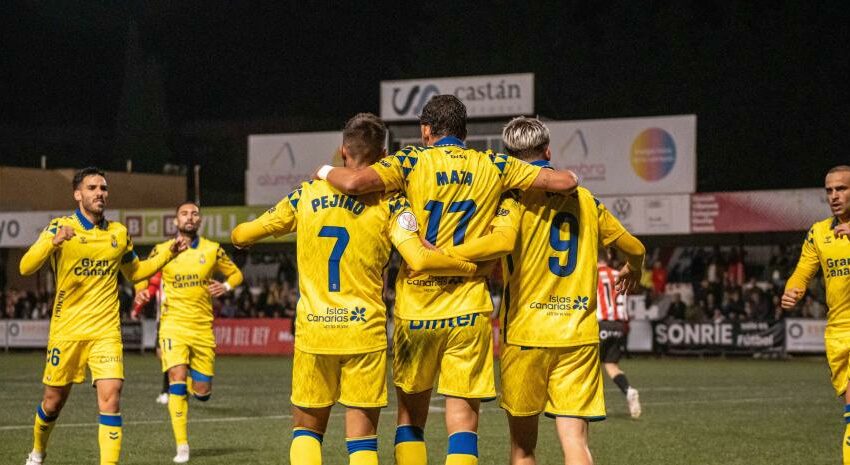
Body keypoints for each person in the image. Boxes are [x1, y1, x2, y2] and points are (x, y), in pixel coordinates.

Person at [316, 96, 579, 465]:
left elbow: (357, 182)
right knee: (463, 424)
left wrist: (323, 172)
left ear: (426, 130)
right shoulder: (494, 163)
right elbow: (564, 180)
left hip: (417, 309)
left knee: (410, 419)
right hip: (469, 310)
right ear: (464, 131)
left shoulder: (410, 161)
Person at [232, 113, 479, 465]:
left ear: (343, 152)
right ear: (382, 157)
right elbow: (418, 257)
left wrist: (243, 238)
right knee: (362, 442)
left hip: (316, 332)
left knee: (307, 433)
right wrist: (469, 266)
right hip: (364, 333)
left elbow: (242, 235)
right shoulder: (391, 203)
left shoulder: (305, 195)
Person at [440, 117, 645, 465]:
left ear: (509, 159)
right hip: (577, 336)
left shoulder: (510, 199)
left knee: (523, 449)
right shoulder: (586, 200)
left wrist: (442, 255)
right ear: (548, 151)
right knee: (576, 443)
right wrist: (633, 269)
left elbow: (495, 245)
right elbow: (635, 248)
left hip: (526, 334)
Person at [20, 167, 188, 465]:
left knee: (111, 398)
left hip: (106, 332)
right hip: (67, 331)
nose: (100, 193)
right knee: (53, 402)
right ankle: (37, 452)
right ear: (78, 194)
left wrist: (168, 254)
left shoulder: (118, 233)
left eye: (103, 188)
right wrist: (51, 242)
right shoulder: (59, 226)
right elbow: (25, 267)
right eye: (93, 188)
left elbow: (135, 271)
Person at [133, 202, 243, 463]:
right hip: (173, 325)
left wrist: (225, 286)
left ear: (200, 221)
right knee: (176, 378)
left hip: (202, 327)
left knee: (202, 391)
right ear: (175, 221)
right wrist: (140, 289)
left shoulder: (212, 250)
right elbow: (141, 272)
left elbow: (236, 274)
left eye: (194, 214)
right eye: (184, 214)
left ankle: (196, 389)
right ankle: (182, 445)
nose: (189, 217)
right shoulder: (162, 250)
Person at [782, 165, 850, 464]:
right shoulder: (819, 232)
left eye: (842, 189)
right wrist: (792, 290)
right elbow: (802, 272)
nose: (834, 196)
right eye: (829, 190)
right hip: (839, 333)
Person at [597, 256, 642, 419]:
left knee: (589, 365)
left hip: (601, 323)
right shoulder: (619, 273)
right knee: (611, 365)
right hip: (619, 325)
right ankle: (629, 390)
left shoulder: (593, 274)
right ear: (607, 257)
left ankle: (592, 403)